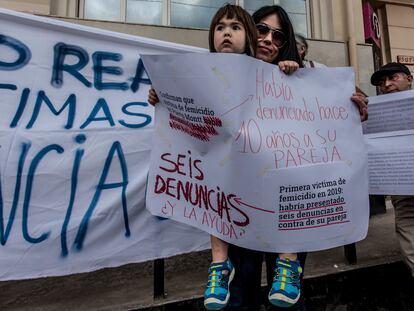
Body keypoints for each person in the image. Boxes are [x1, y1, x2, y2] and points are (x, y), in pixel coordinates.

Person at [148, 5, 368, 310]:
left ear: (286, 42)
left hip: (289, 209)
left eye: (277, 35)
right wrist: (164, 97)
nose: (267, 39)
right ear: (249, 32)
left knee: (287, 299)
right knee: (239, 294)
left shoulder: (309, 78)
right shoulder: (223, 77)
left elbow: (336, 121)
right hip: (242, 207)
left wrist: (355, 109)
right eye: (260, 29)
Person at [370, 62, 414, 277]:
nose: (386, 84)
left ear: (409, 79)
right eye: (381, 82)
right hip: (402, 187)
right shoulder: (374, 112)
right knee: (408, 230)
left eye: (393, 78)